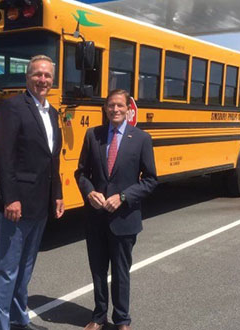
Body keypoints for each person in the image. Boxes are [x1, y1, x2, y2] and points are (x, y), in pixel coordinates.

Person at [0, 55, 64, 330]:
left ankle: (20, 319)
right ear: (27, 77)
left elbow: (52, 158)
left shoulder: (52, 112)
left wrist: (57, 194)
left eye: (47, 75)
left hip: (41, 203)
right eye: (37, 74)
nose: (42, 79)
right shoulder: (13, 107)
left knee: (25, 269)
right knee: (7, 270)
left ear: (52, 81)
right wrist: (10, 198)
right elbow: (4, 157)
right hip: (17, 204)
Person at [75, 89, 157, 330]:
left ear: (128, 109)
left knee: (121, 273)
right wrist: (89, 192)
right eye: (111, 105)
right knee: (98, 271)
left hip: (124, 218)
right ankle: (99, 315)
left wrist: (123, 197)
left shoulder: (141, 138)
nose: (115, 109)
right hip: (96, 218)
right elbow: (81, 173)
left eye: (120, 105)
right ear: (105, 108)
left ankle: (122, 319)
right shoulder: (93, 135)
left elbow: (151, 179)